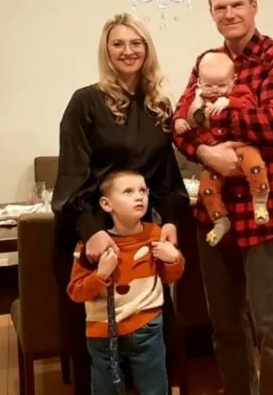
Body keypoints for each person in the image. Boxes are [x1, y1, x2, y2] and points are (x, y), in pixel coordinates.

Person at [173, 0, 273, 395]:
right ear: (212, 14)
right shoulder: (206, 61)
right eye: (219, 8)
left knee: (271, 328)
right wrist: (207, 153)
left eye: (236, 5)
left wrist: (209, 118)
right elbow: (176, 126)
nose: (229, 14)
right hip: (216, 215)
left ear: (253, 6)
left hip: (269, 212)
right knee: (226, 328)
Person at [52, 12, 191, 394]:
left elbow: (165, 175)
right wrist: (90, 231)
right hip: (95, 232)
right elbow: (71, 174)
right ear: (106, 50)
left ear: (147, 49)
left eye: (136, 43)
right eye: (118, 43)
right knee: (99, 343)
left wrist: (171, 218)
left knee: (149, 334)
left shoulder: (158, 105)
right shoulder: (86, 102)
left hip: (142, 233)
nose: (127, 51)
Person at [67, 169, 185, 395]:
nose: (139, 196)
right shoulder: (91, 247)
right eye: (128, 191)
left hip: (148, 328)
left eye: (143, 190)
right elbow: (76, 292)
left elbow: (170, 277)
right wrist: (100, 276)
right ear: (106, 204)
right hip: (102, 334)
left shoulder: (155, 235)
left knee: (155, 389)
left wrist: (174, 259)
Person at [173, 50, 271, 246]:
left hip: (241, 146)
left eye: (221, 85)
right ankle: (220, 220)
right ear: (199, 82)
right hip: (213, 153)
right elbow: (180, 112)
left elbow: (250, 105)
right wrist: (180, 120)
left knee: (255, 165)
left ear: (233, 81)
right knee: (207, 188)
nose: (215, 90)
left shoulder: (239, 92)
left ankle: (260, 202)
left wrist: (229, 101)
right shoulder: (195, 96)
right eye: (208, 85)